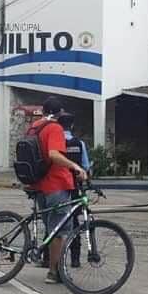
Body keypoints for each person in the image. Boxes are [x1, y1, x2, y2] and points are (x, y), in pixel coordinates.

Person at [29, 97, 88, 284]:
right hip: (56, 185)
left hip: (39, 185)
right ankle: (55, 272)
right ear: (59, 113)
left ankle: (49, 262)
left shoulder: (34, 127)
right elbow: (54, 154)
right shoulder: (55, 129)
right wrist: (76, 167)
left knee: (50, 228)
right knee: (59, 231)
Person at [57, 112, 90, 269]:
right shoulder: (79, 144)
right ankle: (75, 259)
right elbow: (86, 167)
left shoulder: (54, 142)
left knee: (53, 221)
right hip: (74, 189)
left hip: (56, 187)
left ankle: (47, 259)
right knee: (75, 222)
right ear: (72, 126)